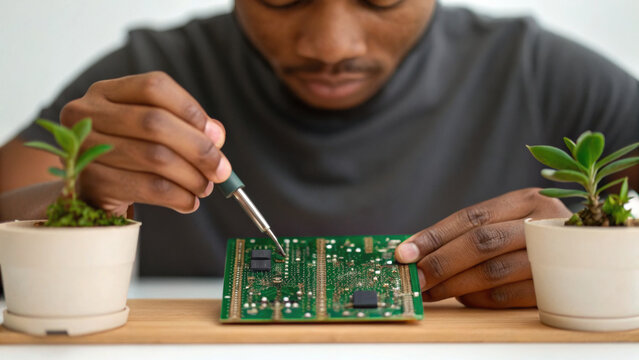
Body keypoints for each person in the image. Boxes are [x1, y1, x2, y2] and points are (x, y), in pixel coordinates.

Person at [1, 0, 638, 308]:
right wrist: (76, 202)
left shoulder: (546, 74)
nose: (329, 43)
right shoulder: (145, 80)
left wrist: (601, 248)